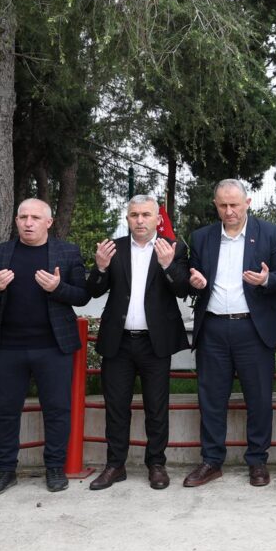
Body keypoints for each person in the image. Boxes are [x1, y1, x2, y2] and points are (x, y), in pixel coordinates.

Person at [184, 179, 276, 488]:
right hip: (213, 328)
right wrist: (195, 282)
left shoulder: (269, 233)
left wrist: (267, 280)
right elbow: (193, 274)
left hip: (253, 328)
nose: (229, 211)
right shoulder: (201, 237)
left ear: (247, 203)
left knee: (259, 399)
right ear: (215, 205)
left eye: (234, 205)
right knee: (211, 399)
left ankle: (257, 461)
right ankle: (211, 461)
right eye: (222, 205)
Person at [0, 199, 89, 496]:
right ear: (16, 220)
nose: (28, 223)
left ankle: (54, 468)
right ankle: (5, 471)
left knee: (57, 410)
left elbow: (82, 296)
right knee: (5, 412)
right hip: (8, 347)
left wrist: (58, 288)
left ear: (49, 222)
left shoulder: (68, 252)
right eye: (23, 217)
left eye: (35, 218)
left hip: (53, 347)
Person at [85, 195, 190, 490]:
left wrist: (168, 266)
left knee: (156, 407)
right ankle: (115, 465)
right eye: (134, 215)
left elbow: (183, 289)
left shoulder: (174, 248)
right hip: (118, 343)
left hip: (155, 343)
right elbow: (93, 291)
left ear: (157, 219)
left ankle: (156, 464)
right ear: (127, 218)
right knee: (116, 407)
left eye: (146, 215)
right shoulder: (113, 248)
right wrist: (100, 267)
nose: (140, 220)